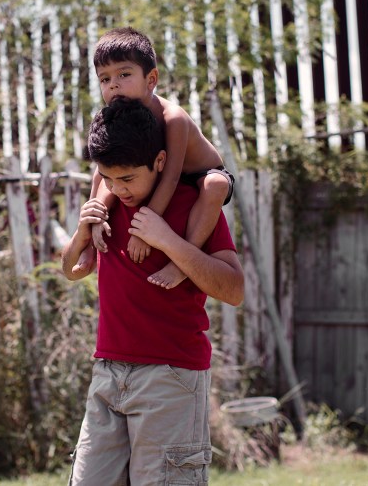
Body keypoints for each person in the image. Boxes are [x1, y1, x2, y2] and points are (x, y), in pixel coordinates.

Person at [61, 97, 245, 485]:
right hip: (108, 373)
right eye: (109, 178)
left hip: (171, 377)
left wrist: (168, 242)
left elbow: (234, 289)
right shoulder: (106, 203)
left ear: (160, 162)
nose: (118, 189)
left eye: (128, 179)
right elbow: (72, 269)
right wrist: (83, 230)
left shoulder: (192, 205)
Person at [88, 26, 235, 289]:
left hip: (196, 174)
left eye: (124, 74)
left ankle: (182, 263)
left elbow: (171, 176)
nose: (114, 85)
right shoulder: (116, 117)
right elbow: (104, 170)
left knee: (216, 185)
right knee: (106, 167)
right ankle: (92, 225)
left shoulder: (172, 118)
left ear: (151, 79)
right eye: (105, 79)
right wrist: (95, 218)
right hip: (157, 169)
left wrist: (145, 232)